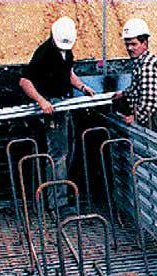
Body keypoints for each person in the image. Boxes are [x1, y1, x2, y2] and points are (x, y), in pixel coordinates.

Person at [19, 16, 95, 217]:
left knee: (68, 151)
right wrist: (42, 101)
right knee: (58, 155)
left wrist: (82, 86)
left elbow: (68, 73)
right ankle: (57, 204)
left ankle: (62, 194)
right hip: (52, 108)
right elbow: (25, 81)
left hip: (65, 104)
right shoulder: (44, 54)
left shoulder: (66, 50)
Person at [113, 18, 157, 136]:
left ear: (144, 43)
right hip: (148, 114)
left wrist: (135, 117)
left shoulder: (147, 65)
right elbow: (137, 87)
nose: (129, 48)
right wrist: (124, 93)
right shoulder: (140, 61)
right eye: (127, 44)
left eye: (134, 44)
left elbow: (149, 100)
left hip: (153, 117)